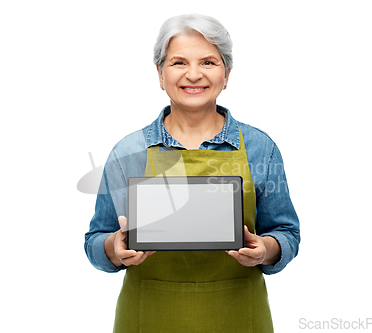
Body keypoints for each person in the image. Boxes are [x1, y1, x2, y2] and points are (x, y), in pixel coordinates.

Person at [84, 13, 300, 333]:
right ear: (160, 73)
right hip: (150, 319)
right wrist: (113, 247)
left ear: (226, 74)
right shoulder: (127, 152)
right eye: (179, 62)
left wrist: (266, 250)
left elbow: (287, 233)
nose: (194, 75)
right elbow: (95, 240)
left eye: (209, 62)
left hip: (238, 316)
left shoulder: (260, 148)